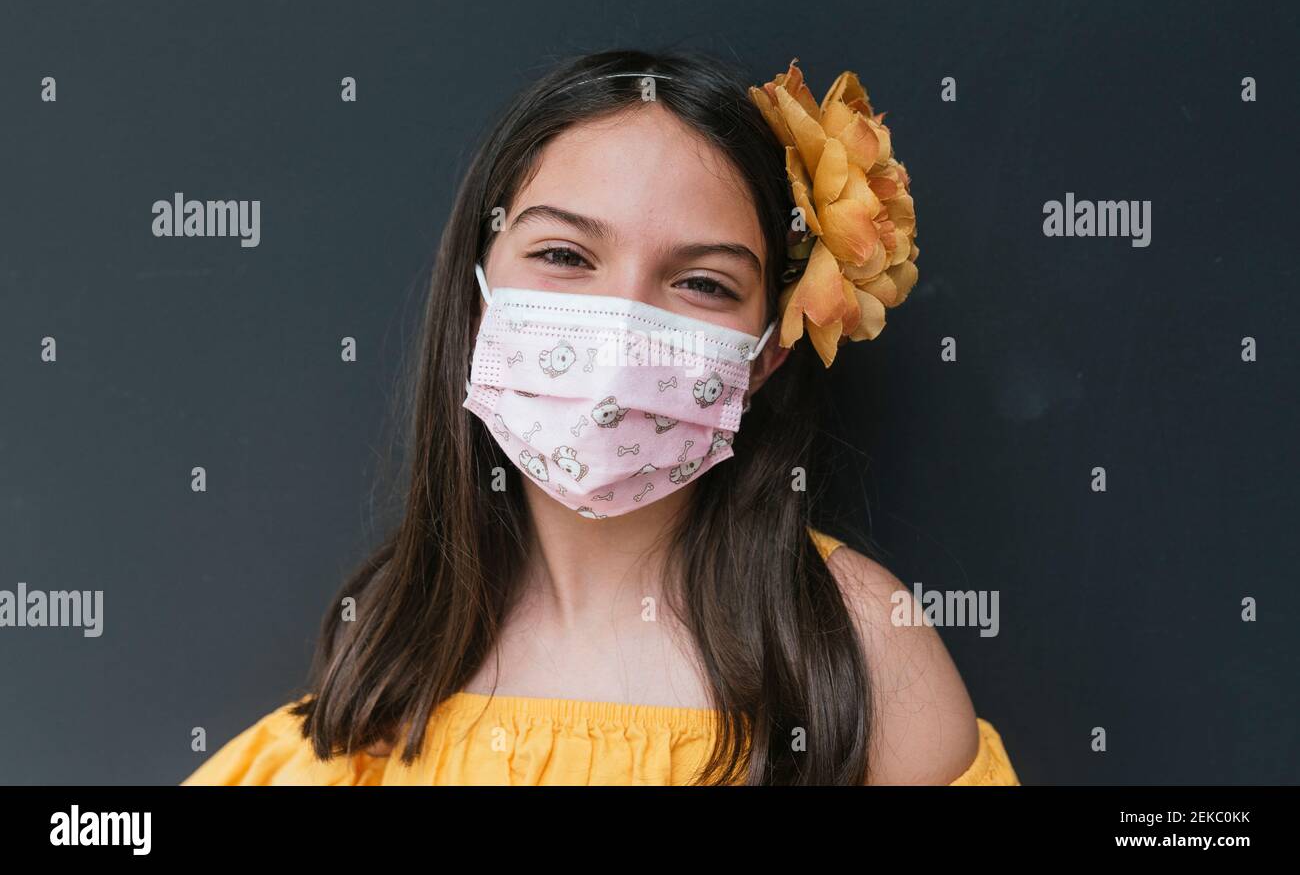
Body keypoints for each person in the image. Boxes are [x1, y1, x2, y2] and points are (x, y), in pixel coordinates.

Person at [181, 49, 1019, 785]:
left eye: (703, 283)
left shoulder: (855, 643)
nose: (621, 325)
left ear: (767, 352)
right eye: (564, 255)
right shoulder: (392, 656)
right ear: (477, 297)